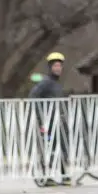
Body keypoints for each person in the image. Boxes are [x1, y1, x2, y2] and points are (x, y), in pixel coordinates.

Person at [29, 52, 70, 185]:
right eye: (55, 66)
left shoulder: (57, 84)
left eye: (60, 66)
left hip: (58, 122)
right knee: (49, 150)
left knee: (62, 149)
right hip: (48, 123)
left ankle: (65, 176)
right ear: (50, 67)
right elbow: (33, 98)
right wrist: (41, 120)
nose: (58, 68)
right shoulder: (45, 83)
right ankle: (46, 177)